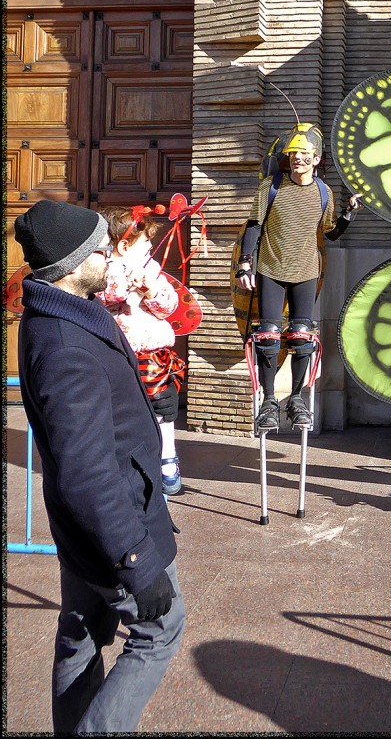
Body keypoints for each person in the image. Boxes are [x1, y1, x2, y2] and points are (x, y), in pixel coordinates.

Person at [13, 199, 185, 734]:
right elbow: (85, 472)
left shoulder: (62, 312)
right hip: (115, 528)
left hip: (87, 531)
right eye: (98, 250)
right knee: (161, 630)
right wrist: (136, 560)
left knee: (80, 633)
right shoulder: (65, 348)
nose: (109, 255)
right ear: (70, 265)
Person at [236, 122, 362, 430]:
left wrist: (349, 212)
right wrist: (244, 264)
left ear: (317, 159)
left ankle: (295, 398)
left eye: (305, 155)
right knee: (268, 333)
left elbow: (330, 232)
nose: (298, 159)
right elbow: (255, 225)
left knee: (302, 334)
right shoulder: (272, 186)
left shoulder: (323, 192)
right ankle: (268, 400)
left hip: (306, 270)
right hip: (270, 268)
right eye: (294, 154)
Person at [97, 205, 186, 496]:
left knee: (163, 406)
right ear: (124, 245)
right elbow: (101, 297)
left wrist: (150, 290)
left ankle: (167, 460)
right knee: (117, 411)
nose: (150, 247)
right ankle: (119, 465)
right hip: (116, 352)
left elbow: (169, 308)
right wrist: (124, 285)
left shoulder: (152, 271)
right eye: (145, 242)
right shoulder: (101, 269)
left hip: (151, 353)